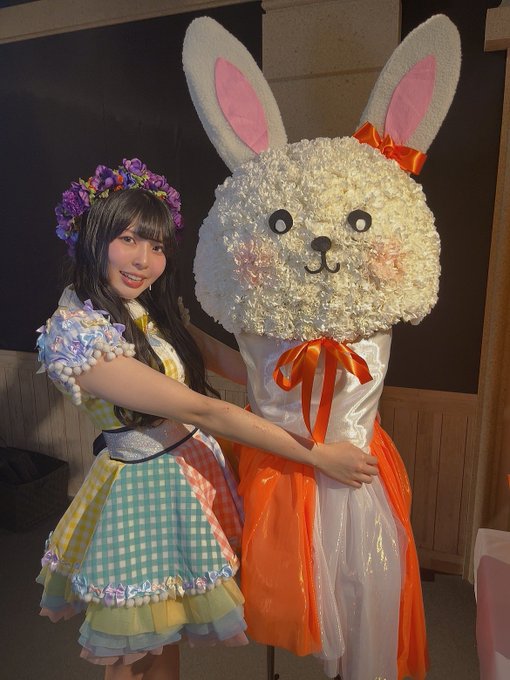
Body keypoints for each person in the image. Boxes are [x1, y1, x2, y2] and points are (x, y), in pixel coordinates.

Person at [36, 159, 379, 680]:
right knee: (134, 644)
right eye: (128, 239)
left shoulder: (149, 311)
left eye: (156, 246)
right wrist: (321, 455)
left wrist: (310, 370)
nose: (144, 260)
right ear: (91, 238)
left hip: (190, 468)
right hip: (144, 492)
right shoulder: (76, 333)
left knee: (166, 634)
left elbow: (231, 363)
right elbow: (202, 408)